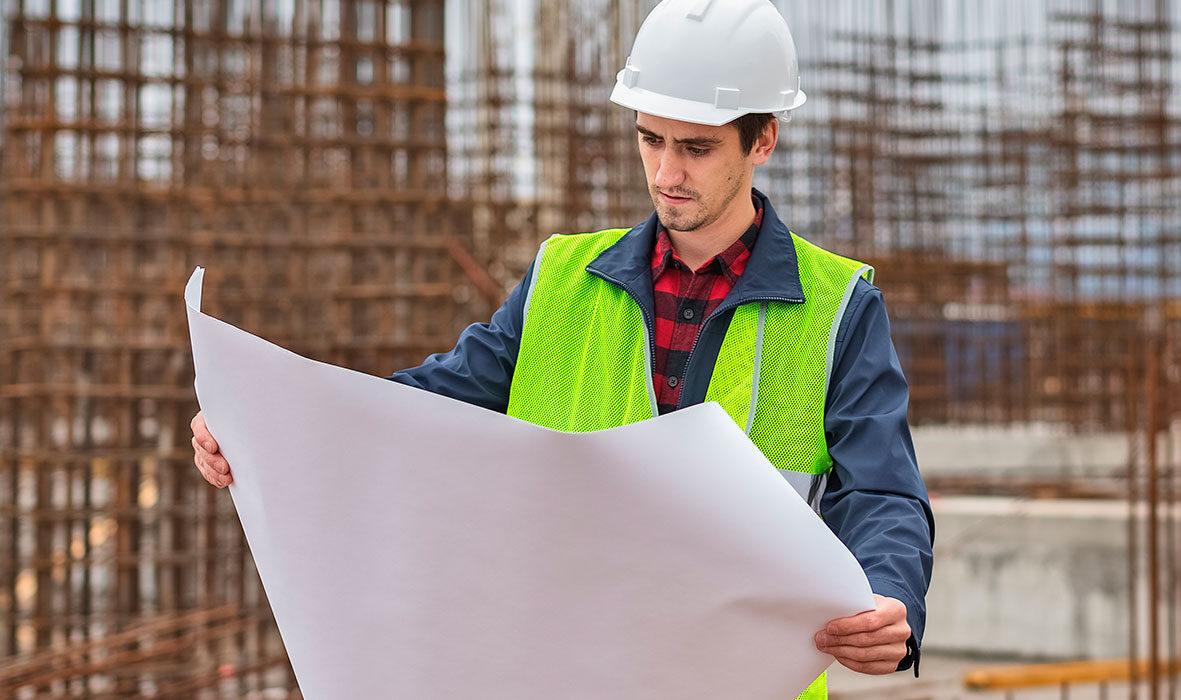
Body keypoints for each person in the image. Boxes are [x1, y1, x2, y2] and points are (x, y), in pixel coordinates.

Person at [192, 1, 933, 697]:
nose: (667, 174)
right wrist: (263, 427)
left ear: (762, 139)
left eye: (696, 149)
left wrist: (889, 596)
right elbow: (420, 409)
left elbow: (883, 492)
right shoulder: (561, 279)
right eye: (651, 139)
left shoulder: (839, 308)